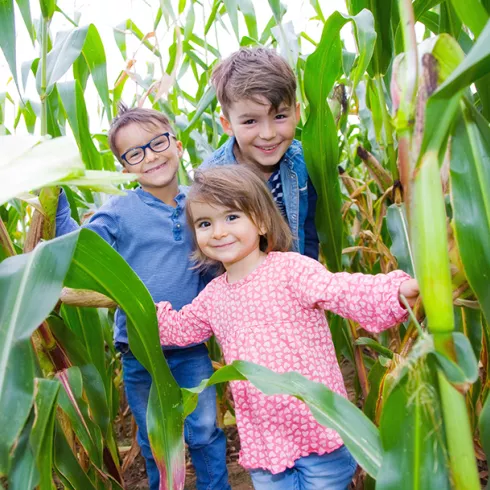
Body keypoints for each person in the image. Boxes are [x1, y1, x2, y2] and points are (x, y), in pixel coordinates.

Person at [156, 165, 419, 490]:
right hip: (266, 444)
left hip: (320, 430)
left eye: (232, 217)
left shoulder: (291, 270)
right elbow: (182, 328)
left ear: (262, 221)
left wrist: (394, 292)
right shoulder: (213, 296)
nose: (219, 232)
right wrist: (139, 309)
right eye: (205, 223)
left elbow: (342, 290)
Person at [55, 104, 230, 490]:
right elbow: (78, 249)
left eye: (157, 143)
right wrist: (56, 200)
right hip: (140, 347)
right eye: (135, 153)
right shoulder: (118, 211)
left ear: (178, 145)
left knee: (204, 430)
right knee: (156, 439)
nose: (150, 156)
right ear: (123, 167)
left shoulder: (200, 203)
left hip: (191, 345)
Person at [202, 47, 319, 260]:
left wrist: (310, 280)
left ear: (297, 113)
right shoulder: (211, 177)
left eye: (280, 116)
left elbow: (309, 231)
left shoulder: (305, 161)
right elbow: (210, 252)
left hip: (294, 281)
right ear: (227, 125)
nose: (268, 134)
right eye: (250, 121)